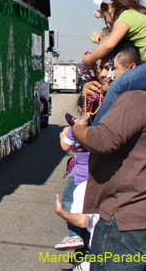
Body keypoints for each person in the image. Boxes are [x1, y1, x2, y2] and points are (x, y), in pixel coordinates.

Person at [72, 40, 146, 270]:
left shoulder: (134, 98)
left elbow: (102, 140)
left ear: (133, 70)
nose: (102, 73)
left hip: (131, 218)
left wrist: (78, 130)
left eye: (108, 67)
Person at [81, 0, 146, 126]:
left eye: (106, 19)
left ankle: (94, 129)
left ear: (112, 6)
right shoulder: (134, 16)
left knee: (118, 84)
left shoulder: (125, 17)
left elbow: (109, 45)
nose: (109, 24)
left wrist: (89, 60)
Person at [55, 92, 93, 252]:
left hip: (79, 175)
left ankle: (74, 235)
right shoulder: (104, 124)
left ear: (80, 108)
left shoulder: (76, 126)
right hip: (98, 174)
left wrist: (63, 134)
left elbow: (65, 146)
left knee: (67, 201)